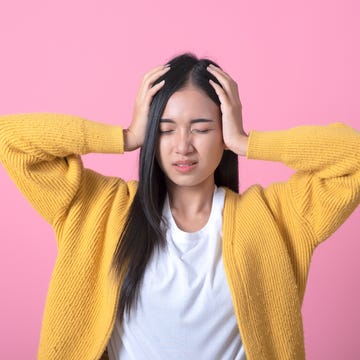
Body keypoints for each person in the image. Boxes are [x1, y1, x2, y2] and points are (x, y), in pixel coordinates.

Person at [0, 53, 359, 360]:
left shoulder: (277, 217)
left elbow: (353, 157)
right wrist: (125, 137)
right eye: (166, 129)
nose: (182, 146)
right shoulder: (98, 208)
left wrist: (248, 142)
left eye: (201, 128)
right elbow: (12, 140)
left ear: (224, 132)